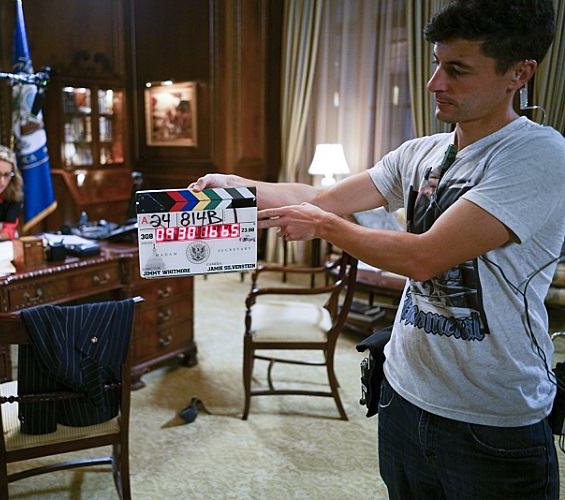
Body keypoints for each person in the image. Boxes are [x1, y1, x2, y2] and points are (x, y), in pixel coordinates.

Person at [191, 0, 565, 497]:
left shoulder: (538, 154)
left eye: (457, 70)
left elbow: (422, 256)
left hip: (491, 415)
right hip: (403, 393)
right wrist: (238, 186)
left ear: (519, 73)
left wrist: (326, 227)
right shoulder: (419, 152)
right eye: (436, 63)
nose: (434, 83)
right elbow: (322, 198)